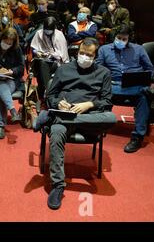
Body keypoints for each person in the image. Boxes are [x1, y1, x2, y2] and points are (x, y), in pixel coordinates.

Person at [42, 37, 116, 210]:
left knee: (111, 118)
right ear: (77, 51)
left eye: (88, 55)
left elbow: (107, 102)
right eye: (82, 53)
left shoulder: (103, 73)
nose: (84, 57)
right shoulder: (64, 69)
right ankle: (58, 185)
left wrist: (89, 104)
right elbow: (50, 96)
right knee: (57, 131)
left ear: (95, 56)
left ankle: (55, 118)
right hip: (64, 112)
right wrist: (58, 103)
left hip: (91, 118)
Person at [96, 25, 154, 153]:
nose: (121, 41)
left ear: (129, 38)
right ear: (114, 37)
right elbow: (98, 69)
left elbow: (150, 70)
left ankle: (137, 137)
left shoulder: (139, 49)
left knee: (144, 96)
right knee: (98, 91)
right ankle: (98, 125)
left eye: (124, 39)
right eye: (119, 38)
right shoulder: (104, 49)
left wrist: (146, 80)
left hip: (135, 86)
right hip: (113, 85)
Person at [0, 28, 24, 139]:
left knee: (3, 90)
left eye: (10, 43)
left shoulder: (16, 49)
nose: (7, 44)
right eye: (6, 42)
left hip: (10, 79)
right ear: (1, 38)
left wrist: (12, 71)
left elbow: (21, 67)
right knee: (0, 84)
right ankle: (12, 111)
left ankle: (1, 126)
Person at [31, 16, 69, 99]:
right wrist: (37, 52)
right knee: (40, 63)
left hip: (57, 62)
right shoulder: (39, 33)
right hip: (42, 59)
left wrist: (52, 54)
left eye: (50, 29)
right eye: (46, 29)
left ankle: (48, 91)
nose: (47, 31)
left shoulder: (59, 35)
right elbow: (34, 48)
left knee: (43, 64)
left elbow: (63, 55)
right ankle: (47, 91)